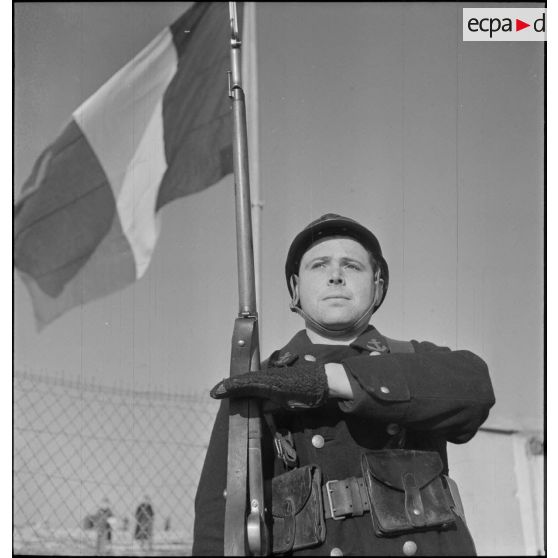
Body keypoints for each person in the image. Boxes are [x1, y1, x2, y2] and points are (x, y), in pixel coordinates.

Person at [192, 214, 495, 556]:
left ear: (378, 286)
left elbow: (475, 388)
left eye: (351, 266)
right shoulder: (261, 384)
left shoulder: (415, 358)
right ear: (295, 289)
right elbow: (219, 522)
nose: (335, 276)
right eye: (319, 265)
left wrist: (329, 380)